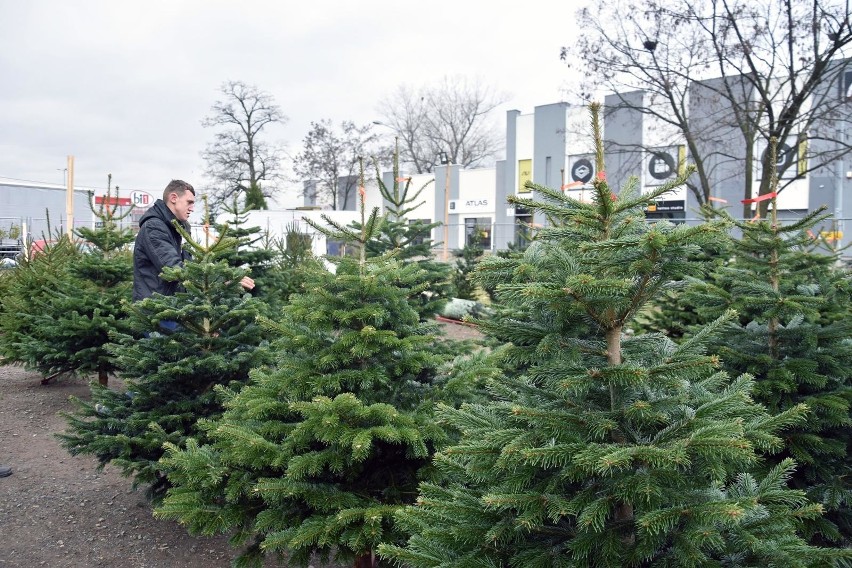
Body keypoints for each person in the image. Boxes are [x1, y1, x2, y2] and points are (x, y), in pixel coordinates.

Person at [133, 180, 254, 302]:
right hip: (154, 308)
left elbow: (190, 267)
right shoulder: (154, 227)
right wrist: (223, 279)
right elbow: (174, 269)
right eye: (189, 202)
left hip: (175, 306)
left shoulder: (181, 228)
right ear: (173, 198)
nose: (192, 208)